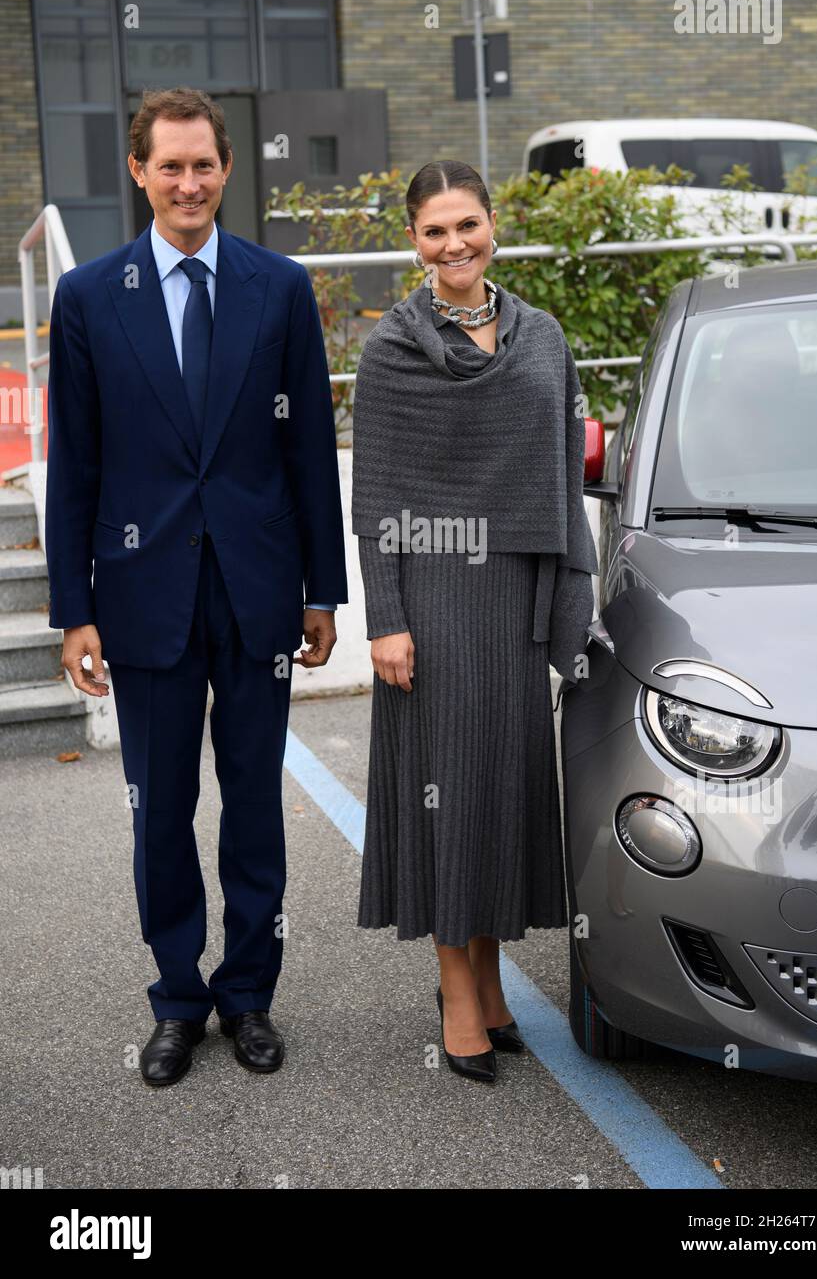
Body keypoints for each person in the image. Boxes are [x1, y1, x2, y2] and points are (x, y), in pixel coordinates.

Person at [45, 87, 348, 1087]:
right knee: (159, 807)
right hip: (142, 595)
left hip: (257, 590)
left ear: (228, 167)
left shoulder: (279, 287)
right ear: (139, 172)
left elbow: (308, 450)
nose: (187, 183)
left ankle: (248, 993)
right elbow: (75, 463)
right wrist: (74, 606)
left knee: (254, 803)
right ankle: (178, 997)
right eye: (168, 166)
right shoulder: (89, 297)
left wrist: (322, 590)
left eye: (204, 164)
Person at [352, 160, 598, 1084]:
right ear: (413, 239)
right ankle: (457, 993)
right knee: (447, 798)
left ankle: (490, 982)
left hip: (513, 597)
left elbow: (561, 474)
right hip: (433, 602)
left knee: (499, 793)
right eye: (434, 230)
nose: (454, 245)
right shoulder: (393, 347)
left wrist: (566, 602)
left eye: (468, 225)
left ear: (493, 223)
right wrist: (387, 619)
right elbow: (374, 496)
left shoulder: (541, 336)